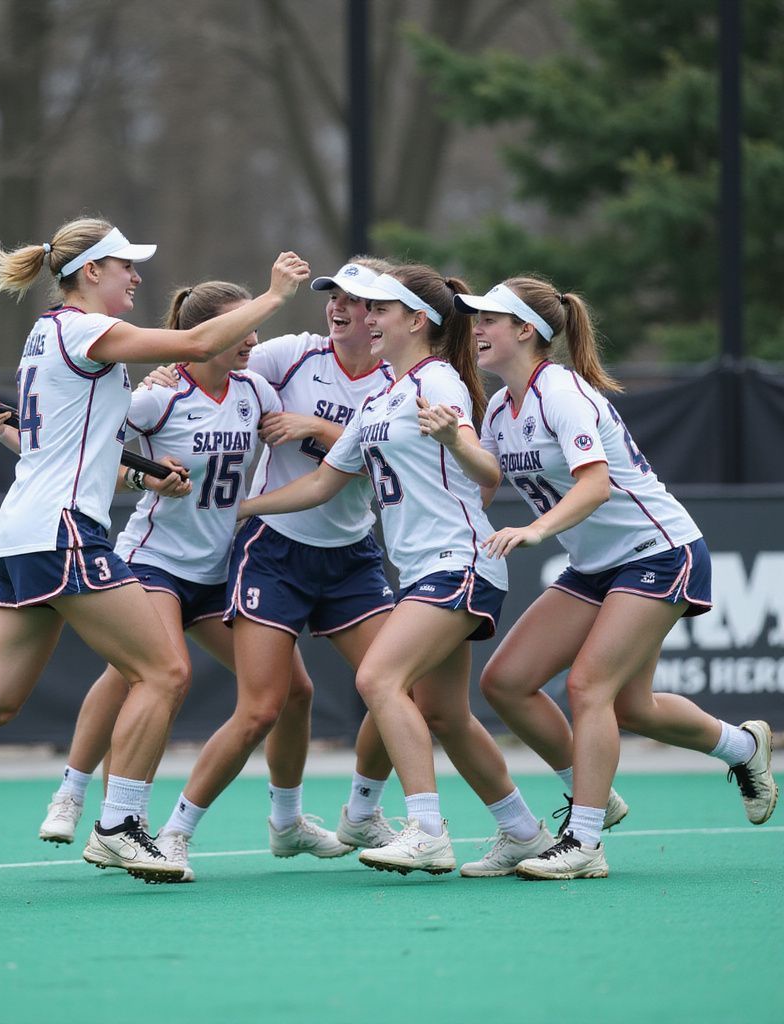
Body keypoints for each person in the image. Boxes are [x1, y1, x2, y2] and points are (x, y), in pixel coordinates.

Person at [0, 217, 310, 889]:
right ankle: (119, 826)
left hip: (25, 530)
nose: (137, 276)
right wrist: (274, 295)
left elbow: (71, 450)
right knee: (163, 670)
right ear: (91, 271)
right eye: (125, 265)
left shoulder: (48, 332)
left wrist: (137, 475)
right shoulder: (83, 330)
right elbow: (197, 340)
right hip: (64, 530)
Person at [0, 280, 314, 882]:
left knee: (292, 690)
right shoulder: (154, 399)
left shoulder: (256, 390)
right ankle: (86, 802)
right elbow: (72, 455)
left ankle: (286, 820)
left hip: (216, 571)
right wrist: (12, 433)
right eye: (242, 330)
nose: (252, 342)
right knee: (147, 677)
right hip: (154, 560)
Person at [449, 277, 778, 880]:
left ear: (526, 330)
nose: (476, 330)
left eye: (489, 319)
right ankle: (741, 747)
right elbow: (489, 475)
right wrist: (446, 441)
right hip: (598, 565)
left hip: (660, 550)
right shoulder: (500, 407)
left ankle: (585, 840)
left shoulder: (563, 393)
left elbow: (595, 483)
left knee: (589, 688)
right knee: (516, 683)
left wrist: (535, 531)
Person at [238, 265, 555, 877]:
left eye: (381, 308)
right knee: (443, 713)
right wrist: (236, 509)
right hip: (425, 571)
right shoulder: (382, 395)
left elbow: (488, 473)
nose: (367, 317)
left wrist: (459, 444)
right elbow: (324, 483)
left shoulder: (439, 381)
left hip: (458, 563)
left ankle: (426, 828)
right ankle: (521, 830)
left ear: (416, 320)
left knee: (379, 678)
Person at [150, 259, 411, 875]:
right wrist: (170, 371)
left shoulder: (405, 380)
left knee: (402, 689)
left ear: (384, 314)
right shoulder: (291, 355)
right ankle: (175, 833)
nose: (341, 307)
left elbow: (394, 462)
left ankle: (361, 812)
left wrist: (318, 427)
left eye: (360, 300)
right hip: (274, 550)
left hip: (352, 557)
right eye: (335, 296)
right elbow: (211, 358)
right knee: (265, 706)